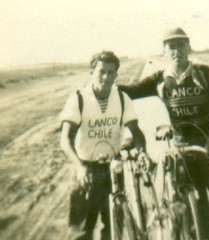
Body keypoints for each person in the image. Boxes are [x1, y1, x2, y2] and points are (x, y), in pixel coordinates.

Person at [118, 27, 209, 240]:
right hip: (182, 148)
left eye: (181, 46)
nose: (176, 51)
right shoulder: (160, 79)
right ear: (164, 52)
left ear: (189, 48)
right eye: (171, 47)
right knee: (194, 208)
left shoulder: (203, 74)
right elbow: (131, 90)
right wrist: (103, 87)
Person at [60, 51, 146, 240]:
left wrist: (142, 154)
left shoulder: (122, 98)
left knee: (114, 226)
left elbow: (137, 132)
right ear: (92, 72)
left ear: (116, 74)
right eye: (101, 71)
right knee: (81, 231)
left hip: (113, 170)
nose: (106, 77)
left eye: (111, 72)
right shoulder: (79, 98)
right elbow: (65, 140)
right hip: (86, 171)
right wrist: (79, 167)